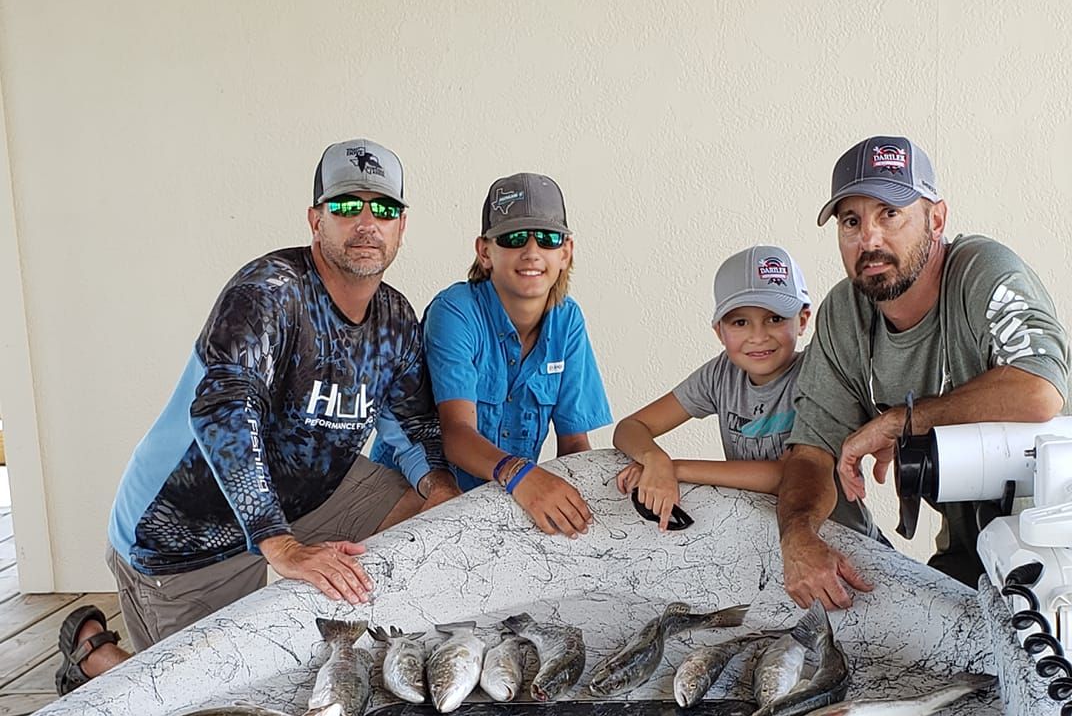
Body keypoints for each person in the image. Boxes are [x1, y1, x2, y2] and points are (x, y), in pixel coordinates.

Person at [56, 138, 459, 693]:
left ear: (401, 226)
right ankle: (95, 657)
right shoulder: (270, 290)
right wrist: (282, 546)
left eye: (383, 209)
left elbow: (412, 424)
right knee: (200, 704)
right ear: (316, 220)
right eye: (347, 206)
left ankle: (357, 626)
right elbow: (225, 409)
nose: (367, 222)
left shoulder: (394, 315)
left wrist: (438, 488)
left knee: (424, 504)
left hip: (308, 494)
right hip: (185, 531)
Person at [779, 135, 1069, 610]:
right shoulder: (843, 313)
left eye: (889, 213)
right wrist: (797, 537)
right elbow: (810, 453)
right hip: (974, 550)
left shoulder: (981, 270)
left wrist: (901, 420)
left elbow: (1039, 391)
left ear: (936, 219)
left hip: (1058, 538)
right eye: (851, 221)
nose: (869, 239)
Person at [378, 172, 612, 537]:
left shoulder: (568, 320)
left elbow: (574, 445)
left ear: (566, 252)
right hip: (420, 497)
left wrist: (579, 518)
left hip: (503, 505)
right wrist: (523, 475)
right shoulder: (454, 311)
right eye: (514, 238)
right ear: (485, 252)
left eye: (548, 239)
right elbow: (456, 434)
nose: (532, 252)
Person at [613, 245, 812, 526]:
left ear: (802, 320)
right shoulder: (722, 374)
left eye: (775, 318)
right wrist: (654, 459)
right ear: (719, 331)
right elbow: (630, 427)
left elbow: (787, 476)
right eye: (740, 322)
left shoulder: (814, 375)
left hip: (837, 534)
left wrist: (673, 468)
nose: (758, 336)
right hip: (764, 530)